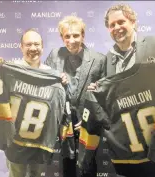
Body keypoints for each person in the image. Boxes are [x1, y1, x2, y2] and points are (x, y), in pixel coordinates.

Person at [81, 3, 155, 177]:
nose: (116, 28)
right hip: (125, 153)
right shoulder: (108, 60)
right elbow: (109, 99)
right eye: (112, 25)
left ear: (133, 21)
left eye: (121, 22)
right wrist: (95, 92)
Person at [0, 28, 67, 177]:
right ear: (21, 47)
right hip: (15, 143)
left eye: (36, 44)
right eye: (28, 45)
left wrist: (61, 83)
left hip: (40, 143)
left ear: (42, 47)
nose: (33, 48)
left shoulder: (52, 75)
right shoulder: (9, 71)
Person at [44, 15, 106, 177]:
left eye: (76, 35)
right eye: (67, 36)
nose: (72, 40)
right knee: (67, 165)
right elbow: (45, 84)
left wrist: (98, 89)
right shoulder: (54, 56)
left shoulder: (99, 60)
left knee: (89, 166)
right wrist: (56, 78)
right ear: (61, 37)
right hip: (65, 122)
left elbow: (106, 94)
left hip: (88, 121)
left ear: (83, 35)